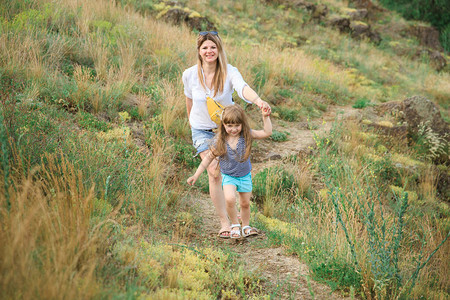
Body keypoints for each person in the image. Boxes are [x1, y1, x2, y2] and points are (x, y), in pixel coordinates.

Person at [182, 31, 272, 238]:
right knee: (213, 170)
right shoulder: (189, 74)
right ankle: (225, 223)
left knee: (228, 171)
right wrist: (191, 124)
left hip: (227, 128)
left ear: (219, 49)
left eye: (213, 47)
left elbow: (242, 89)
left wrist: (258, 101)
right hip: (202, 131)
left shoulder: (230, 71)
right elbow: (189, 100)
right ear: (199, 51)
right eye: (204, 47)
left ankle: (236, 213)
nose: (209, 51)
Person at [187, 104, 272, 238]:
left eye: (237, 125)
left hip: (245, 175)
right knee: (230, 199)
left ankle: (246, 226)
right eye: (230, 126)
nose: (233, 129)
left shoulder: (246, 135)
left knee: (245, 203)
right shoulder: (220, 141)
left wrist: (265, 117)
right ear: (224, 125)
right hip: (229, 176)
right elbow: (207, 159)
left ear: (242, 124)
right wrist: (196, 175)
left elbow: (266, 132)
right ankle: (234, 225)